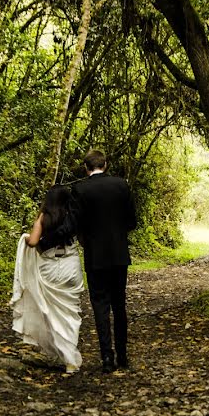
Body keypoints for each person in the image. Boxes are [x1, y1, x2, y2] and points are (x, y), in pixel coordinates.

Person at [71, 150, 137, 373]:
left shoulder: (80, 189)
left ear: (85, 167)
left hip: (95, 255)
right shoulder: (121, 185)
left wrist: (85, 239)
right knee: (119, 305)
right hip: (119, 255)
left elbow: (76, 223)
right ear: (105, 164)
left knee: (100, 305)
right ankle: (123, 356)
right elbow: (131, 221)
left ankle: (106, 357)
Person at [11, 185, 84, 373]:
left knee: (51, 312)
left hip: (49, 267)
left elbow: (34, 242)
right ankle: (70, 358)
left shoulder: (43, 218)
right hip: (70, 265)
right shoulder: (72, 216)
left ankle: (60, 354)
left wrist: (25, 238)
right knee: (71, 312)